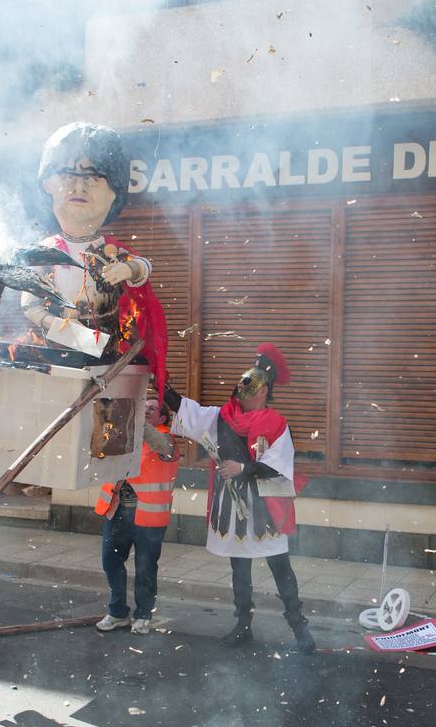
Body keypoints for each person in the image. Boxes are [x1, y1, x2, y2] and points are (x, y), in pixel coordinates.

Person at [163, 344, 316, 654]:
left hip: (265, 505)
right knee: (240, 569)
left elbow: (280, 465)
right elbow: (186, 410)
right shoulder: (222, 416)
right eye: (243, 384)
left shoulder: (276, 423)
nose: (243, 391)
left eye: (252, 386)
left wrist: (243, 467)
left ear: (263, 392)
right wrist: (160, 382)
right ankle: (243, 625)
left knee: (280, 567)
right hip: (231, 503)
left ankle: (300, 628)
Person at [21, 121, 168, 392]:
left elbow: (144, 267)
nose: (79, 187)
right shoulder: (44, 252)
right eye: (68, 175)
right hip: (57, 360)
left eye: (92, 177)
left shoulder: (111, 250)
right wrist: (71, 334)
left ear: (115, 192)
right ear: (48, 185)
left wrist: (128, 270)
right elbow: (30, 306)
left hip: (109, 361)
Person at [94, 399, 179, 635]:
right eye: (145, 405)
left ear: (162, 419)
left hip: (147, 515)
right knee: (110, 561)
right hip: (117, 508)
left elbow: (162, 446)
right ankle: (118, 612)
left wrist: (138, 419)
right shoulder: (125, 430)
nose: (147, 408)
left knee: (145, 567)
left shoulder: (166, 439)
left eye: (153, 408)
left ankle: (143, 615)